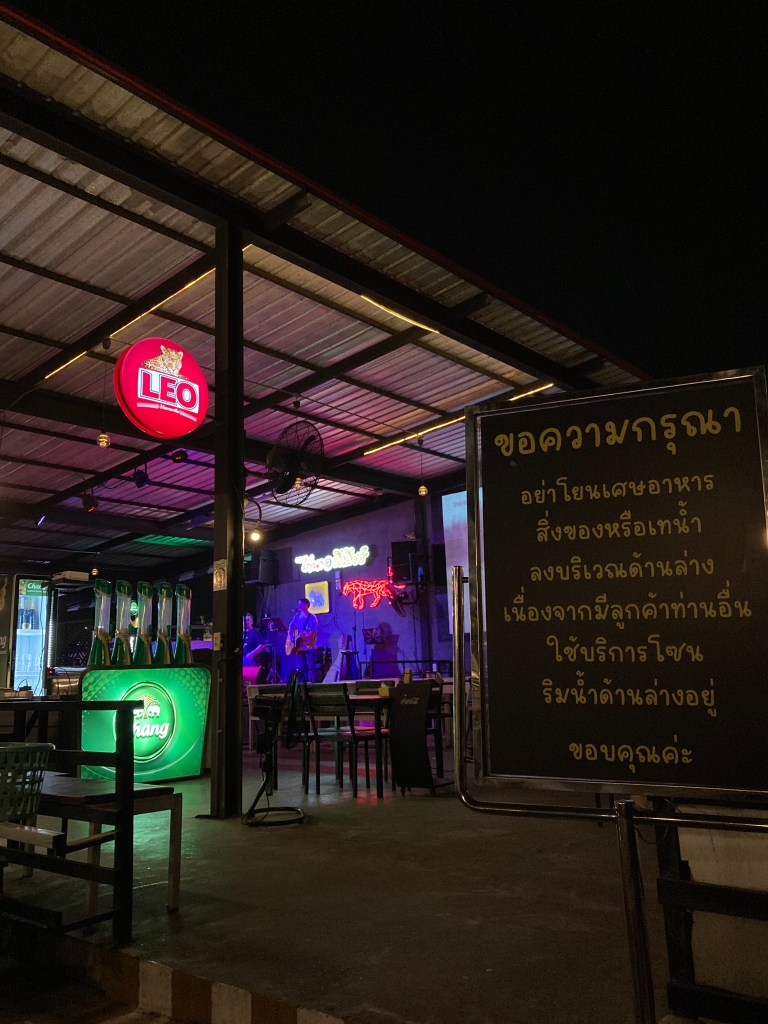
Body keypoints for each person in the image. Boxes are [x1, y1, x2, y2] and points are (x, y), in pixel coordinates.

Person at [285, 597, 318, 681]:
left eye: (301, 604)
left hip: (309, 645)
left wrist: (306, 634)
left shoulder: (312, 617)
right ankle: (305, 684)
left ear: (307, 605)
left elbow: (311, 632)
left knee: (311, 666)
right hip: (299, 646)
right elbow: (290, 627)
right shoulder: (296, 616)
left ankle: (314, 684)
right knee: (302, 667)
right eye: (298, 604)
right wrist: (290, 636)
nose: (299, 605)